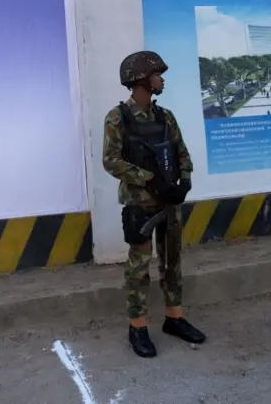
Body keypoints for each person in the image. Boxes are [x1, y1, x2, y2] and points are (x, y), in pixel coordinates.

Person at [102, 51, 206, 358]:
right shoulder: (118, 117)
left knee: (172, 261)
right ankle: (137, 327)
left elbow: (182, 152)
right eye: (156, 74)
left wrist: (184, 180)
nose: (161, 79)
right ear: (140, 80)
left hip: (170, 201)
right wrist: (148, 179)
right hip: (140, 205)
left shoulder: (166, 116)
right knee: (139, 268)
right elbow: (111, 161)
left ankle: (174, 319)